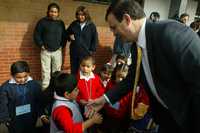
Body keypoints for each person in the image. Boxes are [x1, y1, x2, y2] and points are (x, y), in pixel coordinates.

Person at [88, 0, 200, 133]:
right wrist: (104, 99)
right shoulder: (136, 46)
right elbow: (132, 79)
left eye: (114, 27)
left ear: (127, 19)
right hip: (167, 121)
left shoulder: (170, 32)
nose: (113, 33)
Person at [0, 61, 43, 133]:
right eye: (19, 77)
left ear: (29, 73)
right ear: (12, 75)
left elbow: (39, 100)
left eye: (25, 76)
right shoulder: (5, 88)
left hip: (31, 117)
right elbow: (3, 104)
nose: (23, 80)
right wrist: (5, 118)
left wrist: (41, 113)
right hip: (14, 120)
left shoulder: (35, 85)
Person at [33, 3, 66, 90]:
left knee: (57, 72)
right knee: (45, 72)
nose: (53, 13)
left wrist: (62, 46)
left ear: (58, 13)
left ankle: (56, 89)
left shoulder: (60, 23)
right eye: (52, 11)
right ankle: (45, 90)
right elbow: (37, 35)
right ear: (48, 12)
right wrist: (41, 45)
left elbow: (64, 36)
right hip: (45, 51)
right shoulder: (42, 22)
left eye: (55, 12)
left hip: (57, 51)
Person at [66, 6, 98, 75]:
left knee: (84, 72)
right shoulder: (74, 24)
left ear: (86, 15)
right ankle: (74, 85)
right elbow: (67, 33)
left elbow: (95, 40)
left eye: (82, 15)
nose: (80, 17)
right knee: (74, 71)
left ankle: (83, 85)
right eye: (78, 14)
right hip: (74, 52)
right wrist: (69, 36)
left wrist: (91, 52)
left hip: (85, 54)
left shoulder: (91, 26)